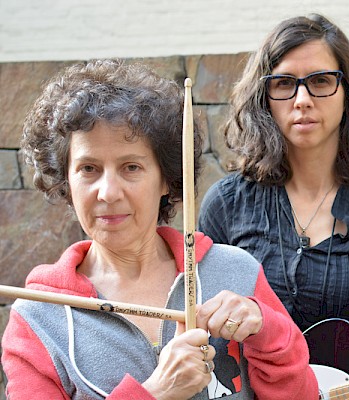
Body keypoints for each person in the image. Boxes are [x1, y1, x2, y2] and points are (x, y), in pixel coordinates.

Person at [1, 59, 318, 400]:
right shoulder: (37, 320)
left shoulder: (236, 272)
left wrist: (267, 331)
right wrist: (156, 392)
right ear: (66, 180)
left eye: (131, 167)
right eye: (89, 168)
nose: (108, 192)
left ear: (167, 178)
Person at [198, 13, 349, 397]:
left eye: (321, 81)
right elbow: (205, 344)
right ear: (264, 96)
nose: (302, 100)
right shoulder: (226, 206)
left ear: (347, 93)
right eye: (284, 83)